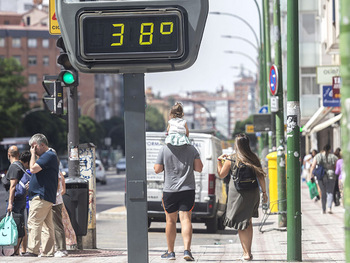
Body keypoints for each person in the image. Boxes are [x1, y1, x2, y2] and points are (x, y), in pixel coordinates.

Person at [217, 133, 267, 261]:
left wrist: (219, 161)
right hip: (252, 191)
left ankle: (246, 253)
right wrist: (265, 193)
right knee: (248, 222)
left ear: (237, 145)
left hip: (237, 193)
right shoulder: (253, 158)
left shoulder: (232, 159)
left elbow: (221, 175)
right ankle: (248, 252)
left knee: (241, 223)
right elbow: (261, 176)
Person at [154, 140, 203, 261]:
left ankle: (170, 252)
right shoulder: (192, 149)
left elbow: (157, 169)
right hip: (187, 190)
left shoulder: (164, 149)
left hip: (170, 190)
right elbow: (199, 168)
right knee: (185, 219)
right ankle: (187, 250)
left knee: (170, 221)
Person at [22, 134, 59, 257]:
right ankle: (48, 252)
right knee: (47, 226)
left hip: (41, 196)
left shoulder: (48, 155)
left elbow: (32, 169)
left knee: (33, 222)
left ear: (42, 145)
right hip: (45, 196)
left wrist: (32, 155)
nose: (32, 150)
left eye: (34, 147)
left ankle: (32, 250)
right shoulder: (48, 156)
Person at [2, 147, 30, 255]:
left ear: (9, 154)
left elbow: (13, 186)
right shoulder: (21, 165)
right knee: (21, 224)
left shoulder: (13, 167)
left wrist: (10, 202)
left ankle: (16, 251)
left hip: (16, 201)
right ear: (18, 154)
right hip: (21, 199)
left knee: (15, 225)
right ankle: (21, 250)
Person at [310, 144, 338, 214]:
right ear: (330, 149)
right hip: (331, 175)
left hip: (321, 175)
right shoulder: (333, 157)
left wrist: (311, 176)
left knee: (323, 193)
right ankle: (329, 207)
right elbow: (337, 166)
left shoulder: (318, 156)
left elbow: (313, 166)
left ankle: (323, 209)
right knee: (330, 192)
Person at [52, 170, 68, 257]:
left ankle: (61, 248)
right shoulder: (57, 171)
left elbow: (61, 188)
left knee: (57, 225)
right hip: (56, 201)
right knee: (55, 225)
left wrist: (55, 196)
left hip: (55, 201)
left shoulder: (56, 172)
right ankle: (59, 248)